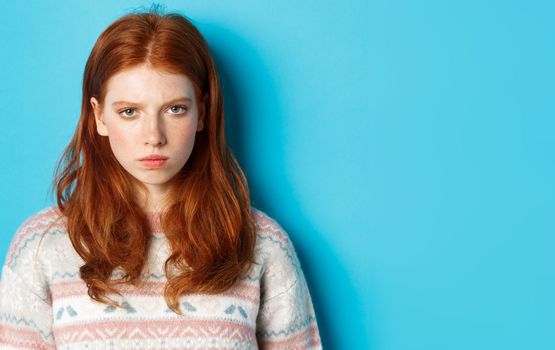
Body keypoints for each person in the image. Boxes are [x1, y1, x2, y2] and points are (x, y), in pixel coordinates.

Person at [0, 8, 322, 350]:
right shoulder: (41, 246)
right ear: (99, 117)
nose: (153, 136)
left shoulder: (262, 245)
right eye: (129, 112)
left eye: (175, 109)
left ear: (202, 111)